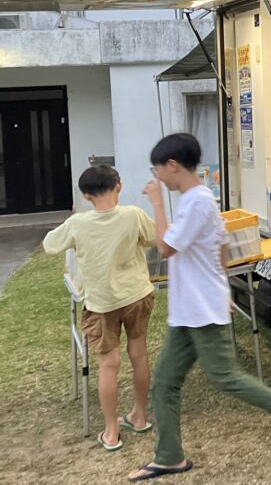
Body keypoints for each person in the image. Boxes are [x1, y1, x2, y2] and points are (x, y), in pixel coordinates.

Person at [128, 133, 271, 482]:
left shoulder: (197, 202)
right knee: (164, 382)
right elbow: (222, 247)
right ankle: (169, 457)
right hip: (190, 309)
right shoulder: (198, 199)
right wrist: (223, 287)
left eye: (158, 170)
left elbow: (166, 248)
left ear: (173, 165)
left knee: (225, 376)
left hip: (201, 309)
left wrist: (156, 204)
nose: (158, 179)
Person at [43, 165, 156, 452]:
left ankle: (111, 431)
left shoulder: (77, 223)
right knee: (139, 353)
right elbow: (155, 238)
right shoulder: (133, 215)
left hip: (101, 303)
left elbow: (49, 244)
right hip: (136, 294)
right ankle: (139, 416)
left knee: (109, 364)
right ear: (119, 186)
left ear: (85, 196)